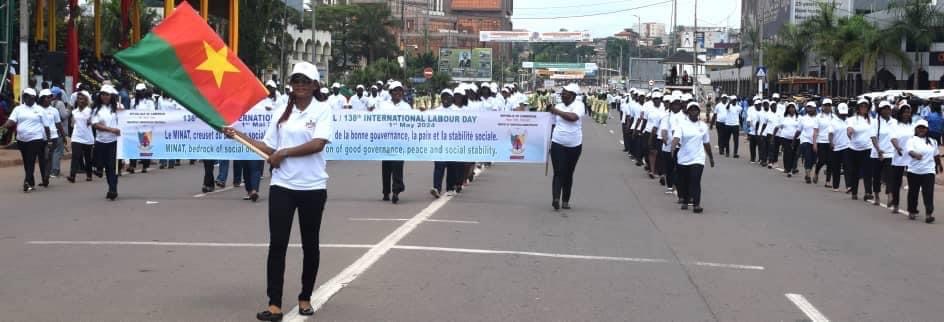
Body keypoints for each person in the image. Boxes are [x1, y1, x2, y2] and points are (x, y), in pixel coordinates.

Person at [222, 62, 331, 321]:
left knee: (310, 244)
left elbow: (318, 144)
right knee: (277, 244)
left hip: (312, 186)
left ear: (315, 85)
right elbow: (269, 148)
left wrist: (286, 153)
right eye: (296, 80)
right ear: (291, 84)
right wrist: (239, 135)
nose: (300, 85)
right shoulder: (282, 112)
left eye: (306, 80)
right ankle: (274, 304)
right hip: (283, 186)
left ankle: (305, 297)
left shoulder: (322, 110)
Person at [1, 88, 51, 192]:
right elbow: (11, 121)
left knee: (31, 160)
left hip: (35, 138)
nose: (29, 99)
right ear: (24, 97)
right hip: (21, 139)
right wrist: (3, 127)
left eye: (32, 98)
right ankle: (31, 182)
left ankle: (26, 182)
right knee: (26, 161)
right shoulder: (18, 109)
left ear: (34, 98)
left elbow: (46, 127)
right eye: (27, 97)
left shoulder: (40, 110)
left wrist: (49, 140)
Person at [547, 83, 585, 210]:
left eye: (565, 92)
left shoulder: (579, 105)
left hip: (574, 145)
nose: (562, 94)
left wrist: (555, 111)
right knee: (558, 171)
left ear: (573, 95)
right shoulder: (558, 105)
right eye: (562, 92)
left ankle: (565, 200)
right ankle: (556, 198)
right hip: (557, 142)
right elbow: (551, 124)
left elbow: (573, 117)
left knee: (569, 173)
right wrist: (548, 141)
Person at [672, 102, 715, 213]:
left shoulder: (703, 126)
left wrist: (711, 157)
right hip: (684, 158)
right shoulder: (682, 124)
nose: (694, 112)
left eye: (696, 110)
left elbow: (706, 143)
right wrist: (672, 148)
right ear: (688, 111)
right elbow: (676, 138)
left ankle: (697, 204)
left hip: (698, 158)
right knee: (684, 181)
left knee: (695, 180)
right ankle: (686, 200)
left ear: (698, 112)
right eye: (691, 110)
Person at [377, 81, 411, 204]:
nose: (398, 93)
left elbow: (411, 124)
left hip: (400, 141)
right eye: (395, 90)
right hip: (386, 140)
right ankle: (386, 191)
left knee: (397, 165)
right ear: (391, 93)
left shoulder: (406, 107)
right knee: (386, 166)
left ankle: (396, 190)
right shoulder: (383, 105)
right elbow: (376, 120)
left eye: (400, 90)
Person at [905, 120, 941, 223]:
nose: (921, 130)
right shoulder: (912, 140)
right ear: (916, 129)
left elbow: (936, 154)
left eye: (923, 128)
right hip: (914, 171)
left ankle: (929, 214)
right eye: (919, 128)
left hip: (928, 171)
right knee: (913, 192)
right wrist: (915, 155)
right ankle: (912, 211)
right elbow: (910, 151)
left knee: (928, 193)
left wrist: (939, 165)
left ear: (927, 129)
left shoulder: (932, 141)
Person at [91, 85, 123, 200]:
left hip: (113, 142)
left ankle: (112, 189)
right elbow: (96, 125)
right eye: (103, 94)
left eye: (107, 94)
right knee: (101, 166)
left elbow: (125, 120)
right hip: (100, 142)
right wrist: (111, 129)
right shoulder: (96, 109)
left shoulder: (117, 108)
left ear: (111, 96)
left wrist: (122, 113)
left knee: (111, 167)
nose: (105, 96)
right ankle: (101, 173)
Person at [865, 101, 896, 205]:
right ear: (880, 110)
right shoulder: (875, 122)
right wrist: (878, 150)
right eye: (884, 109)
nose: (887, 111)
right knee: (877, 176)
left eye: (888, 109)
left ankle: (890, 196)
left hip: (890, 153)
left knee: (890, 176)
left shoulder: (894, 122)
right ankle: (877, 195)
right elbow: (873, 137)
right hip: (877, 153)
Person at [431, 89, 459, 198]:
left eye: (448, 97)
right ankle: (436, 188)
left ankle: (450, 188)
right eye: (443, 97)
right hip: (439, 142)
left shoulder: (457, 111)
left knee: (452, 165)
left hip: (453, 142)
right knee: (439, 165)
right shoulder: (436, 111)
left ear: (452, 98)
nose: (445, 99)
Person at [888, 104, 915, 213]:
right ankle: (895, 204)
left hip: (911, 157)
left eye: (908, 112)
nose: (907, 114)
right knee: (897, 183)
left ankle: (912, 208)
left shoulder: (912, 126)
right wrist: (897, 147)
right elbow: (893, 138)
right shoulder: (895, 125)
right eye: (905, 112)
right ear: (900, 113)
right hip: (898, 156)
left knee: (913, 184)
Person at [846, 98, 873, 200]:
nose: (863, 108)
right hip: (854, 149)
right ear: (858, 108)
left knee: (867, 171)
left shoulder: (871, 120)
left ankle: (868, 192)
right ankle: (854, 192)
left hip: (867, 148)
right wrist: (849, 132)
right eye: (861, 106)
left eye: (865, 106)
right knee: (855, 171)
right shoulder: (852, 119)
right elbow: (849, 128)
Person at [126, 84, 154, 174]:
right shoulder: (133, 101)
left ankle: (145, 166)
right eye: (138, 91)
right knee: (133, 147)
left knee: (145, 148)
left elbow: (152, 114)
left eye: (141, 91)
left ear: (144, 91)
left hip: (146, 127)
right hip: (135, 127)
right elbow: (131, 113)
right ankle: (132, 166)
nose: (140, 93)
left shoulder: (149, 102)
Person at [68, 91, 95, 183]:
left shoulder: (90, 111)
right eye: (79, 99)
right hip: (76, 137)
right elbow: (72, 124)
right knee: (75, 156)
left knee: (87, 158)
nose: (80, 101)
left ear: (86, 100)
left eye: (82, 99)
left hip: (87, 138)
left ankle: (89, 175)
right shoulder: (74, 111)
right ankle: (72, 175)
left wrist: (91, 121)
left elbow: (94, 123)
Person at [828, 102, 851, 192]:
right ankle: (835, 185)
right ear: (838, 112)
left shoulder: (849, 120)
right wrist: (831, 143)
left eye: (845, 113)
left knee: (847, 167)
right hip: (836, 147)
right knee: (836, 167)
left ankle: (849, 186)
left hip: (847, 146)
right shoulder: (833, 122)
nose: (843, 115)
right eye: (842, 113)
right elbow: (830, 133)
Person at [775, 102, 800, 177]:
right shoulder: (784, 117)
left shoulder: (799, 118)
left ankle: (793, 167)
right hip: (785, 138)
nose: (791, 109)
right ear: (787, 109)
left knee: (795, 154)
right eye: (790, 107)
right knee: (787, 153)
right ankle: (788, 168)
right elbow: (778, 127)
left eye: (793, 107)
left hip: (796, 139)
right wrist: (774, 136)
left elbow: (801, 129)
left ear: (795, 109)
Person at [813, 99, 834, 186]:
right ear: (822, 106)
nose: (827, 107)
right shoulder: (818, 117)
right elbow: (815, 131)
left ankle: (828, 181)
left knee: (830, 161)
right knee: (822, 160)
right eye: (825, 105)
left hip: (831, 142)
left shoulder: (834, 117)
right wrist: (814, 143)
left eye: (829, 105)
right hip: (821, 141)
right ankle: (816, 172)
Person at [798, 102, 819, 183]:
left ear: (815, 108)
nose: (809, 109)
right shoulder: (803, 118)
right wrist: (794, 139)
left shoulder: (818, 118)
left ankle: (810, 171)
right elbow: (799, 130)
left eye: (811, 108)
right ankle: (808, 174)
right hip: (805, 140)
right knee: (808, 157)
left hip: (815, 141)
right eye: (808, 107)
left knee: (814, 159)